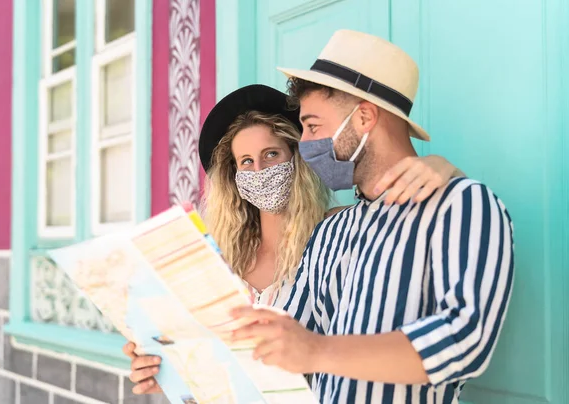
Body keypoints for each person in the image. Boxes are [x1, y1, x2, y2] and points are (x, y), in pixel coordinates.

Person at [229, 30, 515, 403]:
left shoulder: (463, 205)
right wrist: (177, 367)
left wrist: (318, 351)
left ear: (364, 117)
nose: (305, 144)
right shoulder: (331, 232)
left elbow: (464, 339)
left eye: (313, 126)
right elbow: (282, 350)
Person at [123, 84, 465, 395]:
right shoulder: (219, 257)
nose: (259, 171)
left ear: (297, 157)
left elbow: (407, 216)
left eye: (271, 155)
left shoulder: (338, 231)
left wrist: (441, 167)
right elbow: (205, 364)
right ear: (235, 177)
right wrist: (161, 368)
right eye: (246, 162)